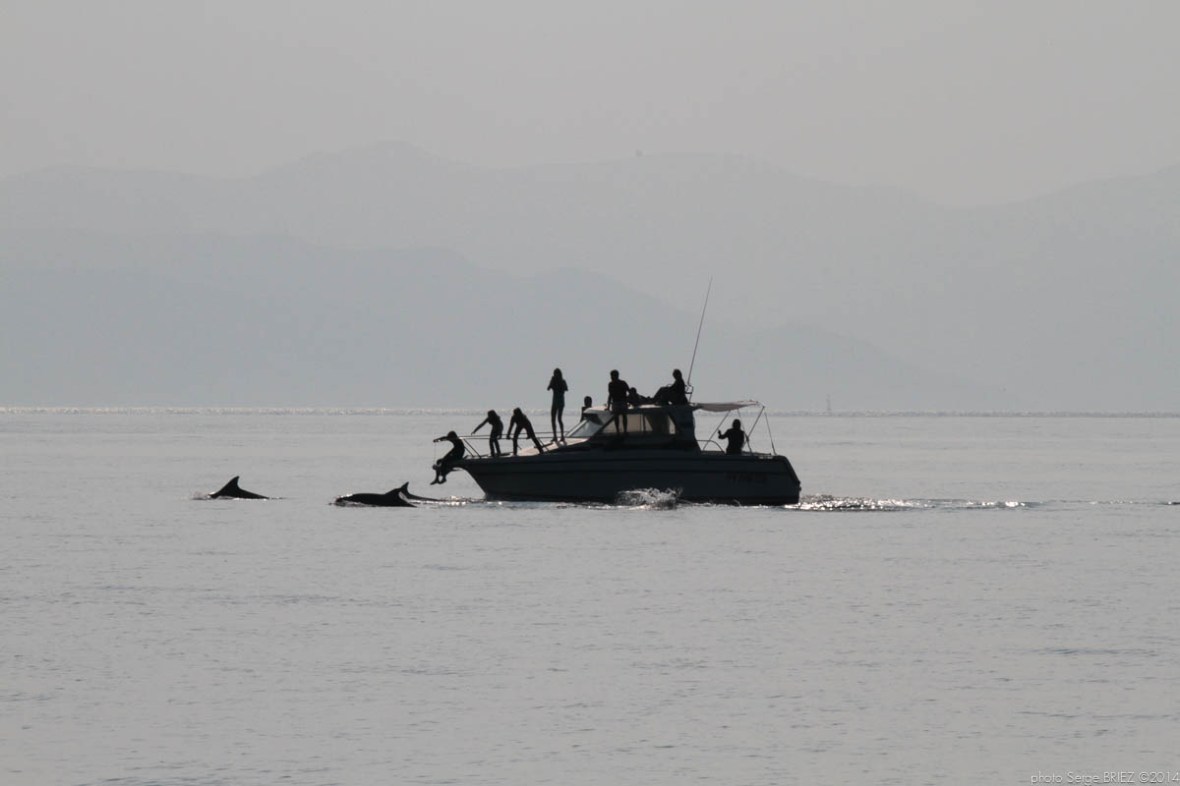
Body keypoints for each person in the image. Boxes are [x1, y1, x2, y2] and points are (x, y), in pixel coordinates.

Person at [547, 368, 569, 442]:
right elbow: (548, 388)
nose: (555, 375)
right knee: (553, 419)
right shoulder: (553, 381)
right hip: (554, 402)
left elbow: (566, 389)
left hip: (560, 402)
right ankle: (555, 436)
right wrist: (551, 382)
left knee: (559, 418)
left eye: (556, 374)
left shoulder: (562, 381)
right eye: (554, 374)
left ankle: (562, 436)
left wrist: (559, 385)